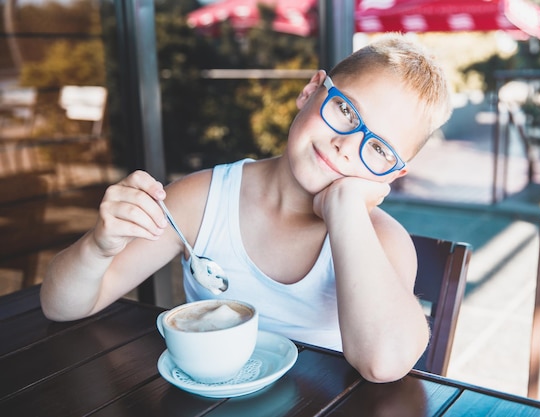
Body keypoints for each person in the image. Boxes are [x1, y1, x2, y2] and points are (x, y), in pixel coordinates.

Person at [40, 33, 452, 383]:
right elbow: (60, 307)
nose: (346, 144)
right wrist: (98, 246)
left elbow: (384, 363)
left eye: (378, 148)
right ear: (310, 92)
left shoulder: (382, 241)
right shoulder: (203, 200)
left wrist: (344, 206)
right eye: (346, 110)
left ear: (392, 175)